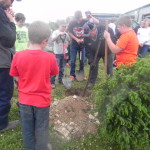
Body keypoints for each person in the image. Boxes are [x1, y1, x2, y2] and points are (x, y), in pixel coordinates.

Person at [10, 21, 59, 150]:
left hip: (24, 100)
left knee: (27, 129)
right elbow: (52, 74)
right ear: (45, 41)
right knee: (41, 128)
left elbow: (15, 75)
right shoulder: (50, 57)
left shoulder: (17, 56)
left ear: (28, 37)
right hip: (42, 101)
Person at [0, 0, 21, 132]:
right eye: (11, 0)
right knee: (4, 92)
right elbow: (9, 38)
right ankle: (2, 124)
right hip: (2, 61)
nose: (11, 4)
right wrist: (11, 21)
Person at [84, 22, 116, 88]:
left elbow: (114, 40)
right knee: (93, 66)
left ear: (94, 30)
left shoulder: (106, 29)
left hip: (108, 51)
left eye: (89, 33)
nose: (88, 36)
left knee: (109, 67)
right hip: (95, 53)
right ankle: (92, 81)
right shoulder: (86, 36)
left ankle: (110, 82)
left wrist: (107, 38)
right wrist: (91, 60)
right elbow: (87, 50)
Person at [68, 10, 87, 80]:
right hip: (74, 45)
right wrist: (76, 39)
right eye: (77, 20)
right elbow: (70, 32)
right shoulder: (72, 22)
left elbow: (88, 31)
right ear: (75, 18)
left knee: (82, 60)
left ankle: (81, 74)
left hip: (82, 45)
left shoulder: (85, 21)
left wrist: (83, 39)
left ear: (82, 17)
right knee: (73, 60)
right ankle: (72, 74)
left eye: (80, 19)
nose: (78, 21)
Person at [51, 22, 70, 88]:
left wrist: (66, 45)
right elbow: (53, 39)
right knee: (56, 67)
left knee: (62, 67)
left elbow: (68, 40)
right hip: (57, 53)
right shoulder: (55, 32)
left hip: (64, 53)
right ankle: (52, 82)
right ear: (59, 26)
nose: (64, 28)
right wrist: (59, 35)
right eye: (62, 26)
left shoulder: (66, 34)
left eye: (65, 26)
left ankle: (60, 79)